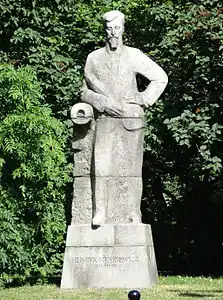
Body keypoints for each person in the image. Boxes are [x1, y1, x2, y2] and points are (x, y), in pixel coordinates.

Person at [82, 10, 168, 226]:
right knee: (101, 166)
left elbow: (160, 78)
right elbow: (84, 92)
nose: (113, 33)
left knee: (132, 169)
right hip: (105, 118)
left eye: (117, 28)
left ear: (123, 30)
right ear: (105, 30)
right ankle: (100, 211)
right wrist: (104, 104)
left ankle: (133, 213)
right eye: (109, 28)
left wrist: (143, 98)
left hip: (131, 119)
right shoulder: (93, 58)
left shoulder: (134, 55)